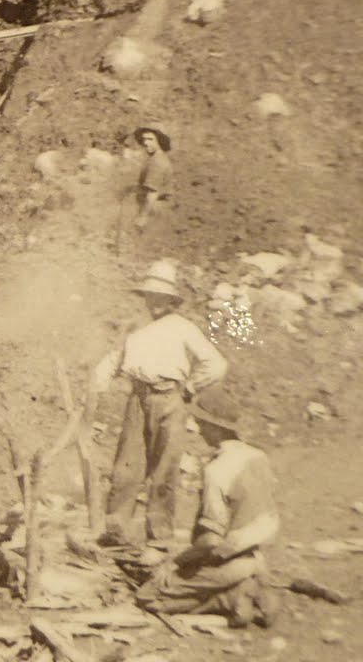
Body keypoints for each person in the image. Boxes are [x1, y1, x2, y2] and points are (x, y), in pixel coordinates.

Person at [93, 259, 229, 549]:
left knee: (165, 469)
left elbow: (215, 363)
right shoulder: (137, 330)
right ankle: (116, 531)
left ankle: (160, 537)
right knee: (126, 467)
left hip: (170, 399)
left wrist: (190, 387)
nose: (155, 303)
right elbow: (113, 360)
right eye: (150, 297)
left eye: (161, 298)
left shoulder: (183, 328)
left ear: (170, 301)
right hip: (137, 399)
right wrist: (97, 385)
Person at [137, 387, 279, 627]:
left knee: (148, 596)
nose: (199, 429)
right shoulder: (258, 456)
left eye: (202, 423)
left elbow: (212, 540)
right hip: (256, 555)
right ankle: (244, 588)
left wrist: (174, 563)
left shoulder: (217, 470)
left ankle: (229, 599)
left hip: (228, 561)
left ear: (215, 427)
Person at [135, 125, 174, 230]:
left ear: (160, 141)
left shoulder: (157, 161)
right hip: (154, 209)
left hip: (153, 210)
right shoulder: (156, 158)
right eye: (144, 139)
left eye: (150, 139)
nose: (145, 142)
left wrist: (142, 217)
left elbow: (152, 192)